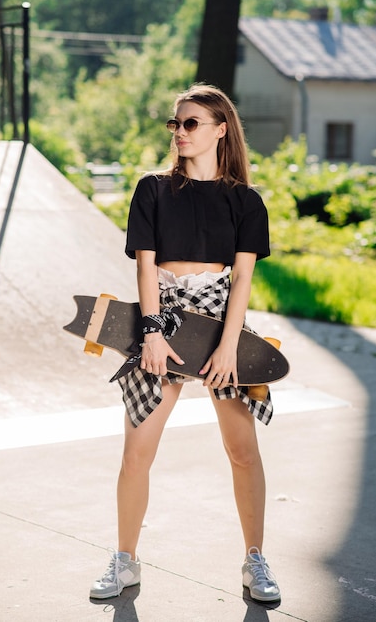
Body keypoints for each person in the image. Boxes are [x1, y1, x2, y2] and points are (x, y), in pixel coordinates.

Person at [89, 83, 281, 604]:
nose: (179, 132)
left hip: (221, 324)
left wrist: (228, 345)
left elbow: (241, 280)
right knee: (136, 454)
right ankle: (125, 560)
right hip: (164, 324)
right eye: (175, 123)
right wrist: (150, 331)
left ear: (221, 129)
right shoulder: (151, 190)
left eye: (190, 123)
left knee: (243, 452)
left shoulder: (246, 201)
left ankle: (255, 560)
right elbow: (146, 265)